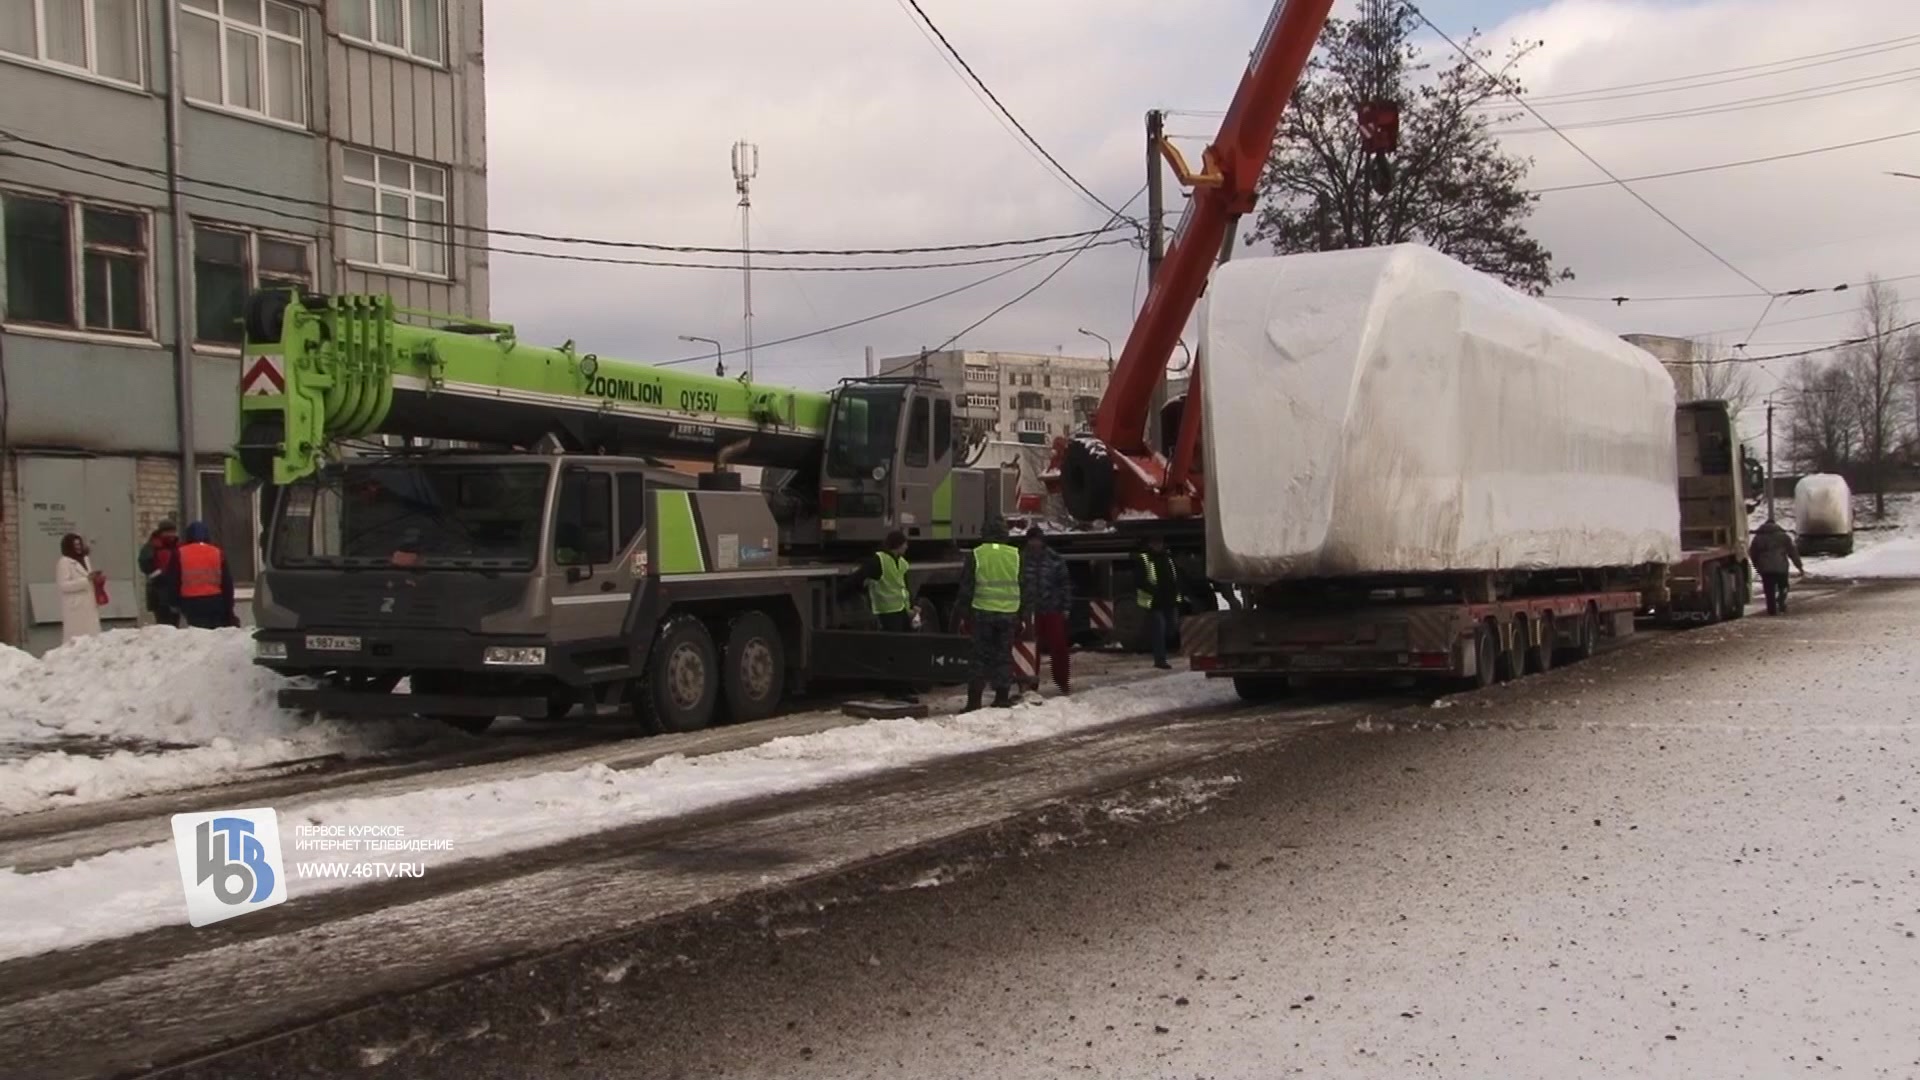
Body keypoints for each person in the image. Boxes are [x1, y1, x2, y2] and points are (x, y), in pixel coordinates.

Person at [956, 521, 1025, 711]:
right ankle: (1002, 697)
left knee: (979, 657)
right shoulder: (1016, 555)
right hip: (1009, 613)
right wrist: (1023, 614)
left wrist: (964, 614)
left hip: (982, 613)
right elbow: (1024, 586)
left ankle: (974, 701)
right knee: (1003, 655)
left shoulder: (976, 554)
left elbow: (967, 587)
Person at [1022, 526, 1073, 695]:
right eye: (1032, 540)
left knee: (1058, 647)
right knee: (1029, 647)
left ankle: (1062, 681)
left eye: (1037, 540)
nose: (1034, 543)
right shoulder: (1022, 559)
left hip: (1053, 608)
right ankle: (1030, 682)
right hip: (1031, 610)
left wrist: (1065, 607)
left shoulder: (1055, 559)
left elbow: (1065, 585)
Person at [164, 521, 238, 630]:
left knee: (198, 633)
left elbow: (173, 580)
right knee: (215, 633)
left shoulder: (179, 553)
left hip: (191, 602)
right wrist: (229, 605)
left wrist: (173, 602)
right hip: (215, 600)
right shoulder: (217, 552)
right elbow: (226, 582)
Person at [1134, 535, 1180, 670]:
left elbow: (1175, 577)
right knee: (1159, 630)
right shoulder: (1143, 558)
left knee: (1171, 629)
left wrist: (1177, 593)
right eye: (1155, 542)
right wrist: (1153, 590)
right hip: (1154, 602)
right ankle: (1160, 659)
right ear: (1149, 544)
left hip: (1169, 600)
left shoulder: (1168, 558)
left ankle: (1162, 653)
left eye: (1160, 542)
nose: (1158, 545)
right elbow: (1139, 580)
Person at [55, 533, 105, 645]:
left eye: (79, 544)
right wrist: (86, 580)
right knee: (76, 640)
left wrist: (95, 579)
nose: (78, 547)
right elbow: (63, 585)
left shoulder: (85, 559)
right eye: (75, 545)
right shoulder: (64, 562)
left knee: (92, 637)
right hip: (75, 607)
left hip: (88, 603)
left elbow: (88, 577)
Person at [1748, 518, 1804, 615]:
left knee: (1769, 590)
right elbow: (1793, 553)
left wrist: (1757, 566)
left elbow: (1753, 554)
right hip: (1781, 568)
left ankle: (1771, 610)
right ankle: (1781, 601)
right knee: (1783, 586)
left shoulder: (1758, 538)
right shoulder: (1784, 537)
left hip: (1765, 569)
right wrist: (1799, 566)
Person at [137, 520, 181, 628]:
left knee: (174, 623)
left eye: (173, 532)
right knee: (163, 623)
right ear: (161, 532)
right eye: (168, 532)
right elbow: (145, 564)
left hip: (174, 591)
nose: (171, 535)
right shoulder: (152, 546)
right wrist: (160, 574)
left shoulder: (177, 546)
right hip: (158, 590)